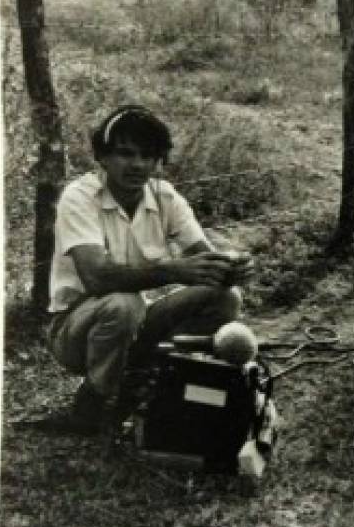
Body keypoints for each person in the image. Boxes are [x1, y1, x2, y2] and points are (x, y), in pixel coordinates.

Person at [43, 105, 254, 435]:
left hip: (137, 322)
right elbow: (96, 276)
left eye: (148, 156)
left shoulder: (164, 196)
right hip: (75, 329)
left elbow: (203, 257)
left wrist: (229, 266)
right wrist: (174, 271)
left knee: (224, 298)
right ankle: (93, 401)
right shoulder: (80, 197)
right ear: (102, 156)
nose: (138, 165)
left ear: (159, 161)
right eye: (125, 154)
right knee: (123, 304)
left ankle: (153, 379)